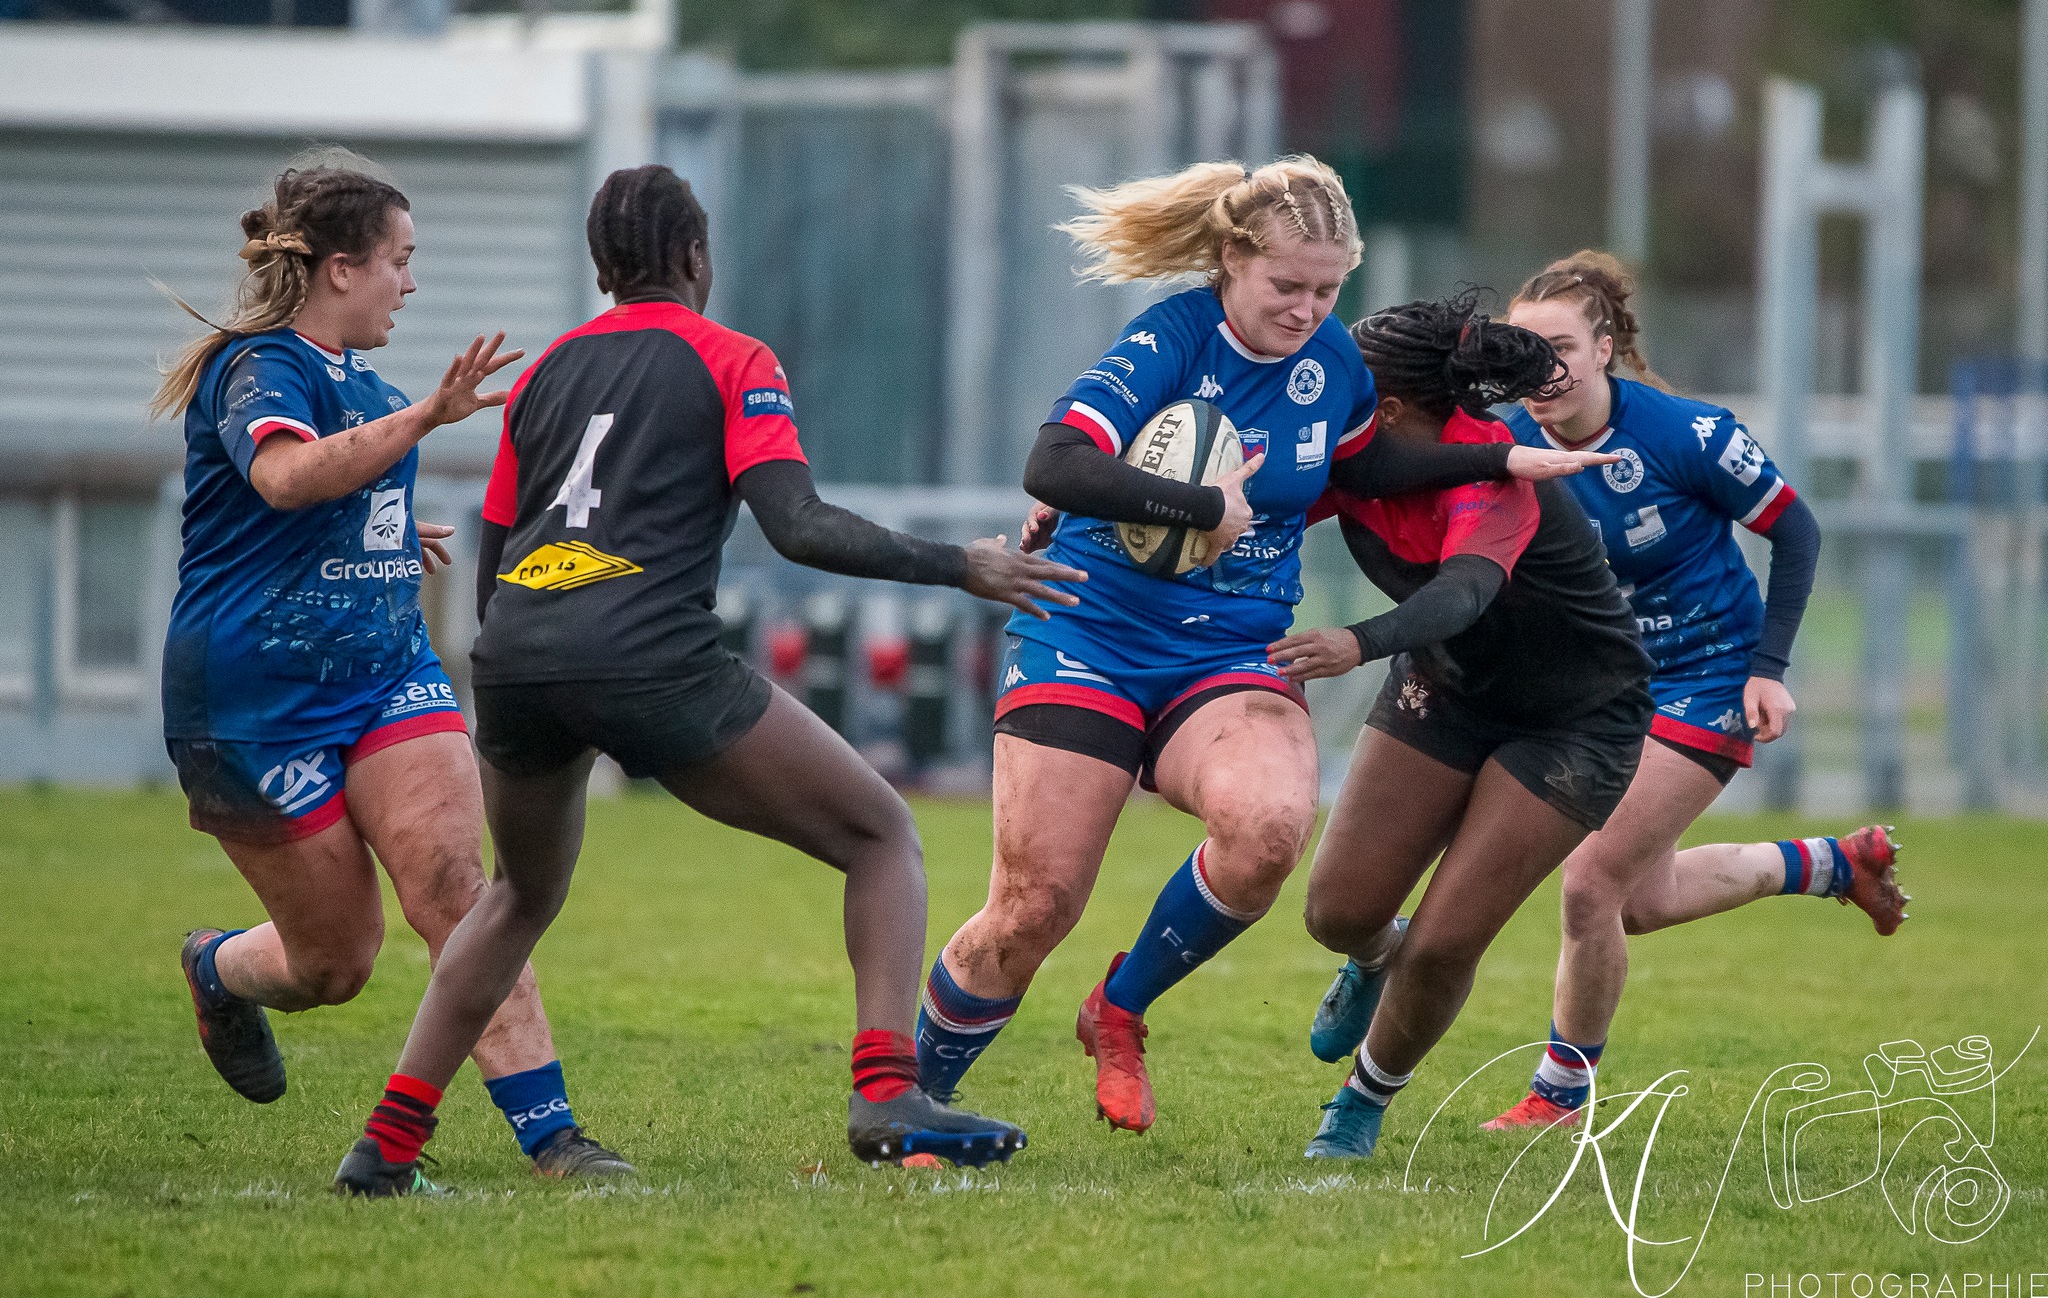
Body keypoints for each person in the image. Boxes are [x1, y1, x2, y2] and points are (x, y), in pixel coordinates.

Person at [331, 163, 1084, 1195]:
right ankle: (885, 1092)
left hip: (516, 658)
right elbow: (799, 524)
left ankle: (383, 1146)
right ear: (694, 256)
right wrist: (963, 565)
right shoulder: (734, 359)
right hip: (648, 656)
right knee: (879, 835)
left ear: (604, 267)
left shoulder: (546, 372)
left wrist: (531, 656)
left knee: (516, 895)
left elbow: (499, 548)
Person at [912, 158, 1617, 1135]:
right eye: (1287, 285)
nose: (1306, 310)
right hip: (1091, 631)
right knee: (1032, 907)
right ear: (1230, 258)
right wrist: (1200, 505)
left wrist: (1497, 455)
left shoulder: (1331, 361)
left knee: (1268, 830)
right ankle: (911, 1103)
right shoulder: (1169, 338)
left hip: (1227, 651)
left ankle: (1118, 1008)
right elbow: (1053, 462)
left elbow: (1366, 463)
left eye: (1326, 290)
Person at [156, 154, 629, 1182]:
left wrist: (385, 531)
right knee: (335, 962)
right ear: (340, 269)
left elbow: (317, 500)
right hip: (253, 701)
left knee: (460, 887)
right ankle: (218, 968)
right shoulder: (259, 367)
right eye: (398, 260)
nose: (410, 284)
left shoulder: (371, 387)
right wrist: (421, 423)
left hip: (384, 674)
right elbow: (284, 476)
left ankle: (555, 1137)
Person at [1470, 251, 1902, 1131]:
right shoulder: (1502, 445)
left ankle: (1559, 1097)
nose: (1542, 371)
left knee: (1589, 886)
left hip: (1709, 673)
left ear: (1602, 349)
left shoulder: (1686, 435)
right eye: (1526, 351)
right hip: (1607, 688)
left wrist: (1769, 668)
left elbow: (1798, 530)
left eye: (1561, 347)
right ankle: (1831, 864)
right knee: (1640, 900)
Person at [1272, 293, 1658, 1159]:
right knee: (1338, 911)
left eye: (1347, 388)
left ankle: (1362, 1099)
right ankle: (1375, 957)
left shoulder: (1493, 471)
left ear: (1389, 411)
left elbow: (1462, 595)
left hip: (1576, 719)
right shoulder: (1351, 457)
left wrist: (1358, 641)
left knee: (1445, 941)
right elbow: (1251, 507)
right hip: (1450, 685)